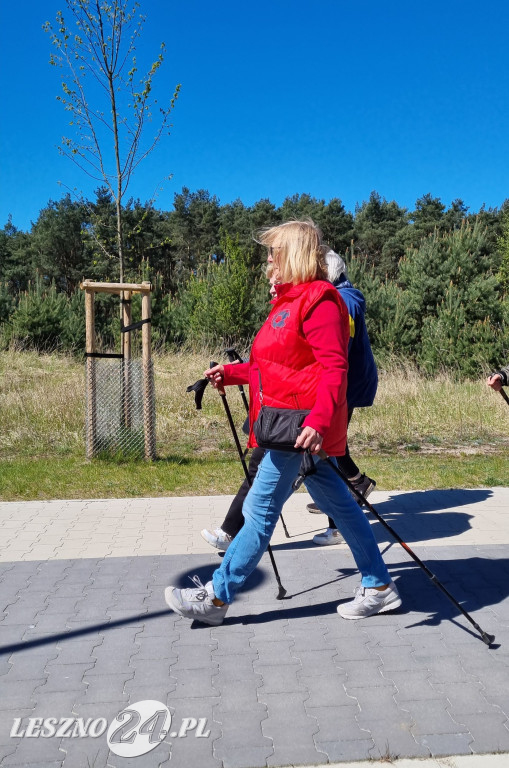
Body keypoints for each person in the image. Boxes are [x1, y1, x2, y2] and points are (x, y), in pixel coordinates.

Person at [165, 220, 401, 626]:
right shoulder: (288, 303)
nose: (269, 261)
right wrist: (232, 372)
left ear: (292, 254)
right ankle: (379, 586)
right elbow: (269, 366)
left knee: (258, 510)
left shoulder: (322, 301)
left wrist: (320, 421)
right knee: (342, 507)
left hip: (300, 428)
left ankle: (215, 599)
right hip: (289, 423)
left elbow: (334, 369)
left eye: (274, 252)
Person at [310, 250, 378, 546]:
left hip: (344, 385)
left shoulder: (344, 301)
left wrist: (326, 382)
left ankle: (337, 522)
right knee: (334, 447)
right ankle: (355, 486)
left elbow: (340, 352)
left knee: (330, 446)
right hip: (343, 383)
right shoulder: (339, 295)